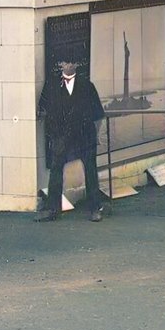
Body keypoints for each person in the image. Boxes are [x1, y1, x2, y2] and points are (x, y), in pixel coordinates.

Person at [36, 59, 108, 223]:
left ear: (76, 65)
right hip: (61, 135)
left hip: (84, 134)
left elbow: (98, 114)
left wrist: (96, 135)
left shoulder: (87, 86)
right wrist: (52, 133)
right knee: (56, 169)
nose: (67, 66)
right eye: (64, 62)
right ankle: (52, 209)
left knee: (90, 170)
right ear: (60, 65)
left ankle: (95, 208)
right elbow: (43, 111)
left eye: (71, 63)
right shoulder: (51, 86)